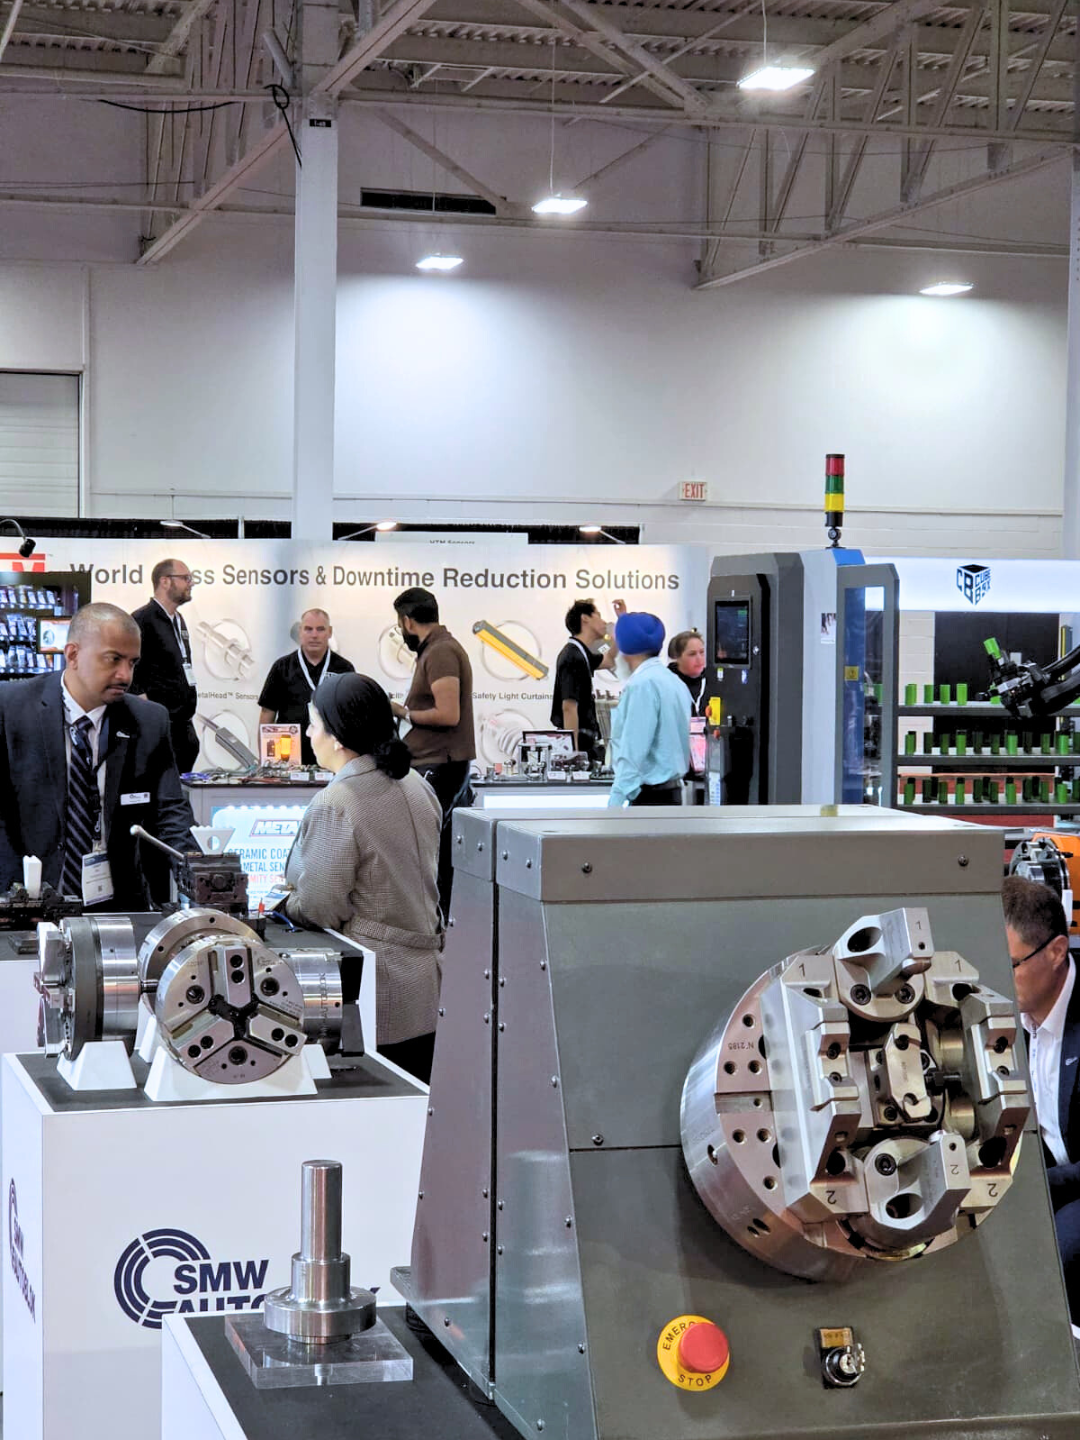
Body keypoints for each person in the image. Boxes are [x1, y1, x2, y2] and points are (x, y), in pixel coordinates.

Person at [284, 672, 442, 1083]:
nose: (308, 734)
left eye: (313, 724)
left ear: (337, 737)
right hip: (428, 983)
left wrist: (285, 904)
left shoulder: (337, 801)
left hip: (377, 987)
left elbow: (320, 906)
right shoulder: (416, 785)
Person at [0, 602, 195, 907]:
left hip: (118, 902)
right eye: (113, 659)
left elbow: (170, 811)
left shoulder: (148, 720)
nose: (125, 675)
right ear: (73, 655)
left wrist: (199, 871)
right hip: (24, 901)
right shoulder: (10, 708)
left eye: (132, 662)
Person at [1002, 875, 1079, 1319]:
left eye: (1010, 963)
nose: (998, 975)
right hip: (1055, 1181)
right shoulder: (1013, 1020)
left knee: (1052, 1259)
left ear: (1056, 952)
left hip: (1067, 1184)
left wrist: (1039, 1185)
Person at [389, 587, 474, 918]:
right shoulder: (436, 650)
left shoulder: (441, 652)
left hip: (440, 764)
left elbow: (448, 714)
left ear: (407, 621)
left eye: (400, 623)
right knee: (435, 853)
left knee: (428, 854)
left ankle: (431, 924)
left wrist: (403, 713)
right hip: (438, 762)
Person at [607, 612, 691, 808]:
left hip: (650, 797)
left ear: (625, 649)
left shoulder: (642, 685)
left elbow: (634, 749)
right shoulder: (674, 682)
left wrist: (615, 803)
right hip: (672, 794)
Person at [258, 609, 355, 766]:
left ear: (330, 632)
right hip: (286, 755)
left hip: (331, 755)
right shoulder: (282, 667)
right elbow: (267, 712)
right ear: (300, 632)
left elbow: (351, 716)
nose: (314, 635)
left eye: (320, 629)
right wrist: (265, 759)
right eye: (308, 629)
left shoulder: (344, 668)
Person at [130, 558, 199, 772]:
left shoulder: (178, 620)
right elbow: (131, 672)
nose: (191, 583)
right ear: (165, 581)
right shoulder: (142, 620)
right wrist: (148, 714)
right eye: (186, 578)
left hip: (183, 726)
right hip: (159, 727)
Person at [550, 598, 620, 761]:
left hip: (587, 742)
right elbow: (569, 707)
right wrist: (574, 754)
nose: (603, 622)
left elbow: (609, 659)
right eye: (598, 615)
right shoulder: (572, 656)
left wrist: (619, 627)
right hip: (580, 744)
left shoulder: (583, 653)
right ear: (585, 618)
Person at [667, 630, 715, 719]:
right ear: (677, 657)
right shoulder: (667, 682)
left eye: (702, 652)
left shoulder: (713, 680)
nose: (699, 658)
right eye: (692, 654)